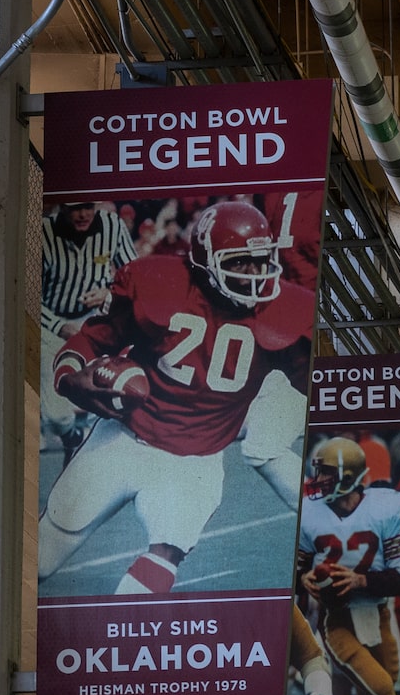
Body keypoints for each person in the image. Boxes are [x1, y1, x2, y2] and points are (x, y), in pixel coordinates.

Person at [39, 196, 312, 595]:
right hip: (125, 439)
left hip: (194, 462)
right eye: (238, 261)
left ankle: (119, 642)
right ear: (205, 261)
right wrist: (68, 377)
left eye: (260, 260)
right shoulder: (159, 282)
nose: (254, 273)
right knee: (43, 558)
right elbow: (92, 339)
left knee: (165, 551)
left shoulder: (282, 309)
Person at [291, 437, 400, 695]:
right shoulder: (309, 512)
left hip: (378, 614)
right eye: (319, 470)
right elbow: (294, 568)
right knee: (384, 691)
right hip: (337, 619)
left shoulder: (386, 507)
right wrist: (302, 578)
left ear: (348, 476)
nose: (320, 478)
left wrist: (360, 580)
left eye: (327, 471)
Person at [38, 201, 133, 449]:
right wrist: (59, 325)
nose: (83, 214)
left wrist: (109, 292)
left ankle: (94, 453)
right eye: (75, 208)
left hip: (95, 317)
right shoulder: (43, 232)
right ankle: (71, 437)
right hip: (49, 320)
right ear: (62, 208)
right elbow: (25, 294)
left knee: (104, 389)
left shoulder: (112, 226)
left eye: (88, 206)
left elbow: (134, 276)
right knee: (56, 417)